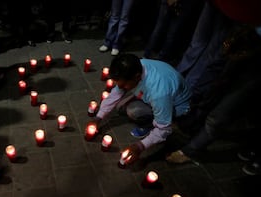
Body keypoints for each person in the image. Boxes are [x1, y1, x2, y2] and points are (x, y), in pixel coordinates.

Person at [165, 25, 261, 170]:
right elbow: (214, 69)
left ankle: (191, 150)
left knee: (224, 111)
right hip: (245, 28)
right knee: (210, 89)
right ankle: (190, 125)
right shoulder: (233, 38)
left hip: (256, 63)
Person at [89, 53, 191, 165]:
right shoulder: (135, 66)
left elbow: (164, 129)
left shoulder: (158, 93)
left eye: (124, 85)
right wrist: (98, 117)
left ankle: (149, 125)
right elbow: (115, 94)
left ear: (137, 77)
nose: (121, 88)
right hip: (158, 94)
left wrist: (139, 146)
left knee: (133, 111)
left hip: (175, 106)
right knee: (120, 106)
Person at [143, 0, 204, 65]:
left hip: (180, 3)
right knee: (169, 32)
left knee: (164, 31)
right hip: (183, 3)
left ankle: (150, 56)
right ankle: (158, 58)